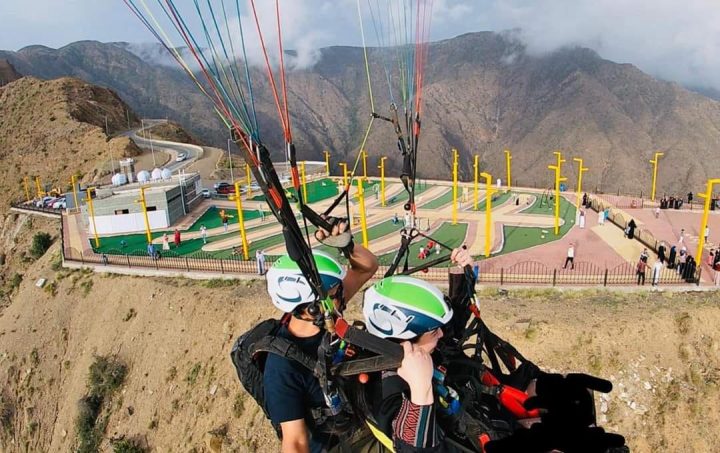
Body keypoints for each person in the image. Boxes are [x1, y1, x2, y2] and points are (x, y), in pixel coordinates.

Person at [262, 221, 378, 453]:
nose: (342, 295)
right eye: (336, 293)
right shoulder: (282, 369)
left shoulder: (328, 318)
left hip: (364, 424)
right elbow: (295, 442)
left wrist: (347, 245)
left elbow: (367, 268)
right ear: (311, 309)